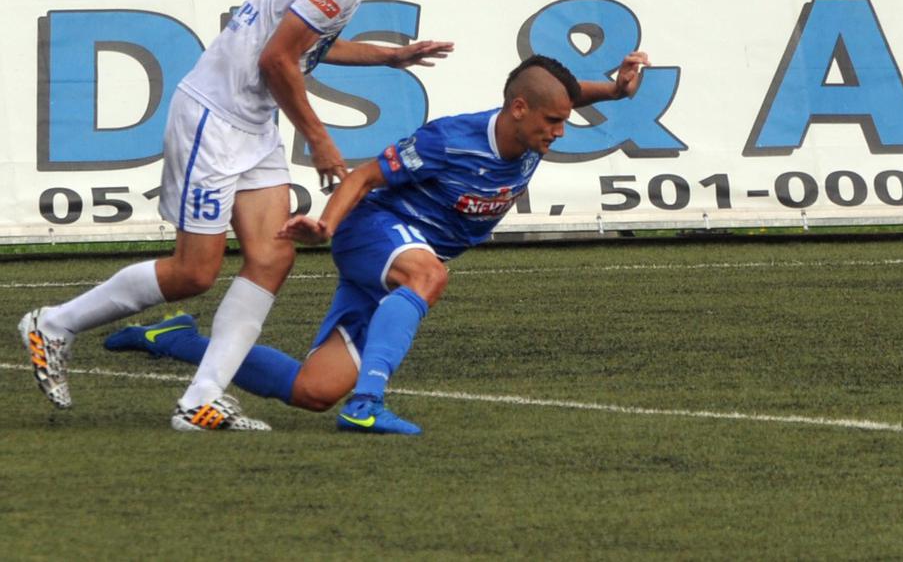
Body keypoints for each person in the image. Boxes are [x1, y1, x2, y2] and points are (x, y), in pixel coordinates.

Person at [18, 0, 453, 432]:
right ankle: (54, 323)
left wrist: (389, 55)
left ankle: (200, 399)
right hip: (217, 117)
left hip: (251, 123)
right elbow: (278, 60)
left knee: (273, 256)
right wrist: (321, 139)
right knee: (194, 272)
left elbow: (301, 45)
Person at [102, 52, 648, 435]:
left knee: (313, 391)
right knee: (427, 275)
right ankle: (367, 404)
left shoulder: (534, 124)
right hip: (375, 230)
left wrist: (617, 90)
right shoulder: (450, 140)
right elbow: (364, 177)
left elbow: (562, 94)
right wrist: (326, 225)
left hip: (403, 253)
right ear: (519, 110)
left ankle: (174, 339)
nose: (560, 131)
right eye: (554, 121)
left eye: (564, 119)